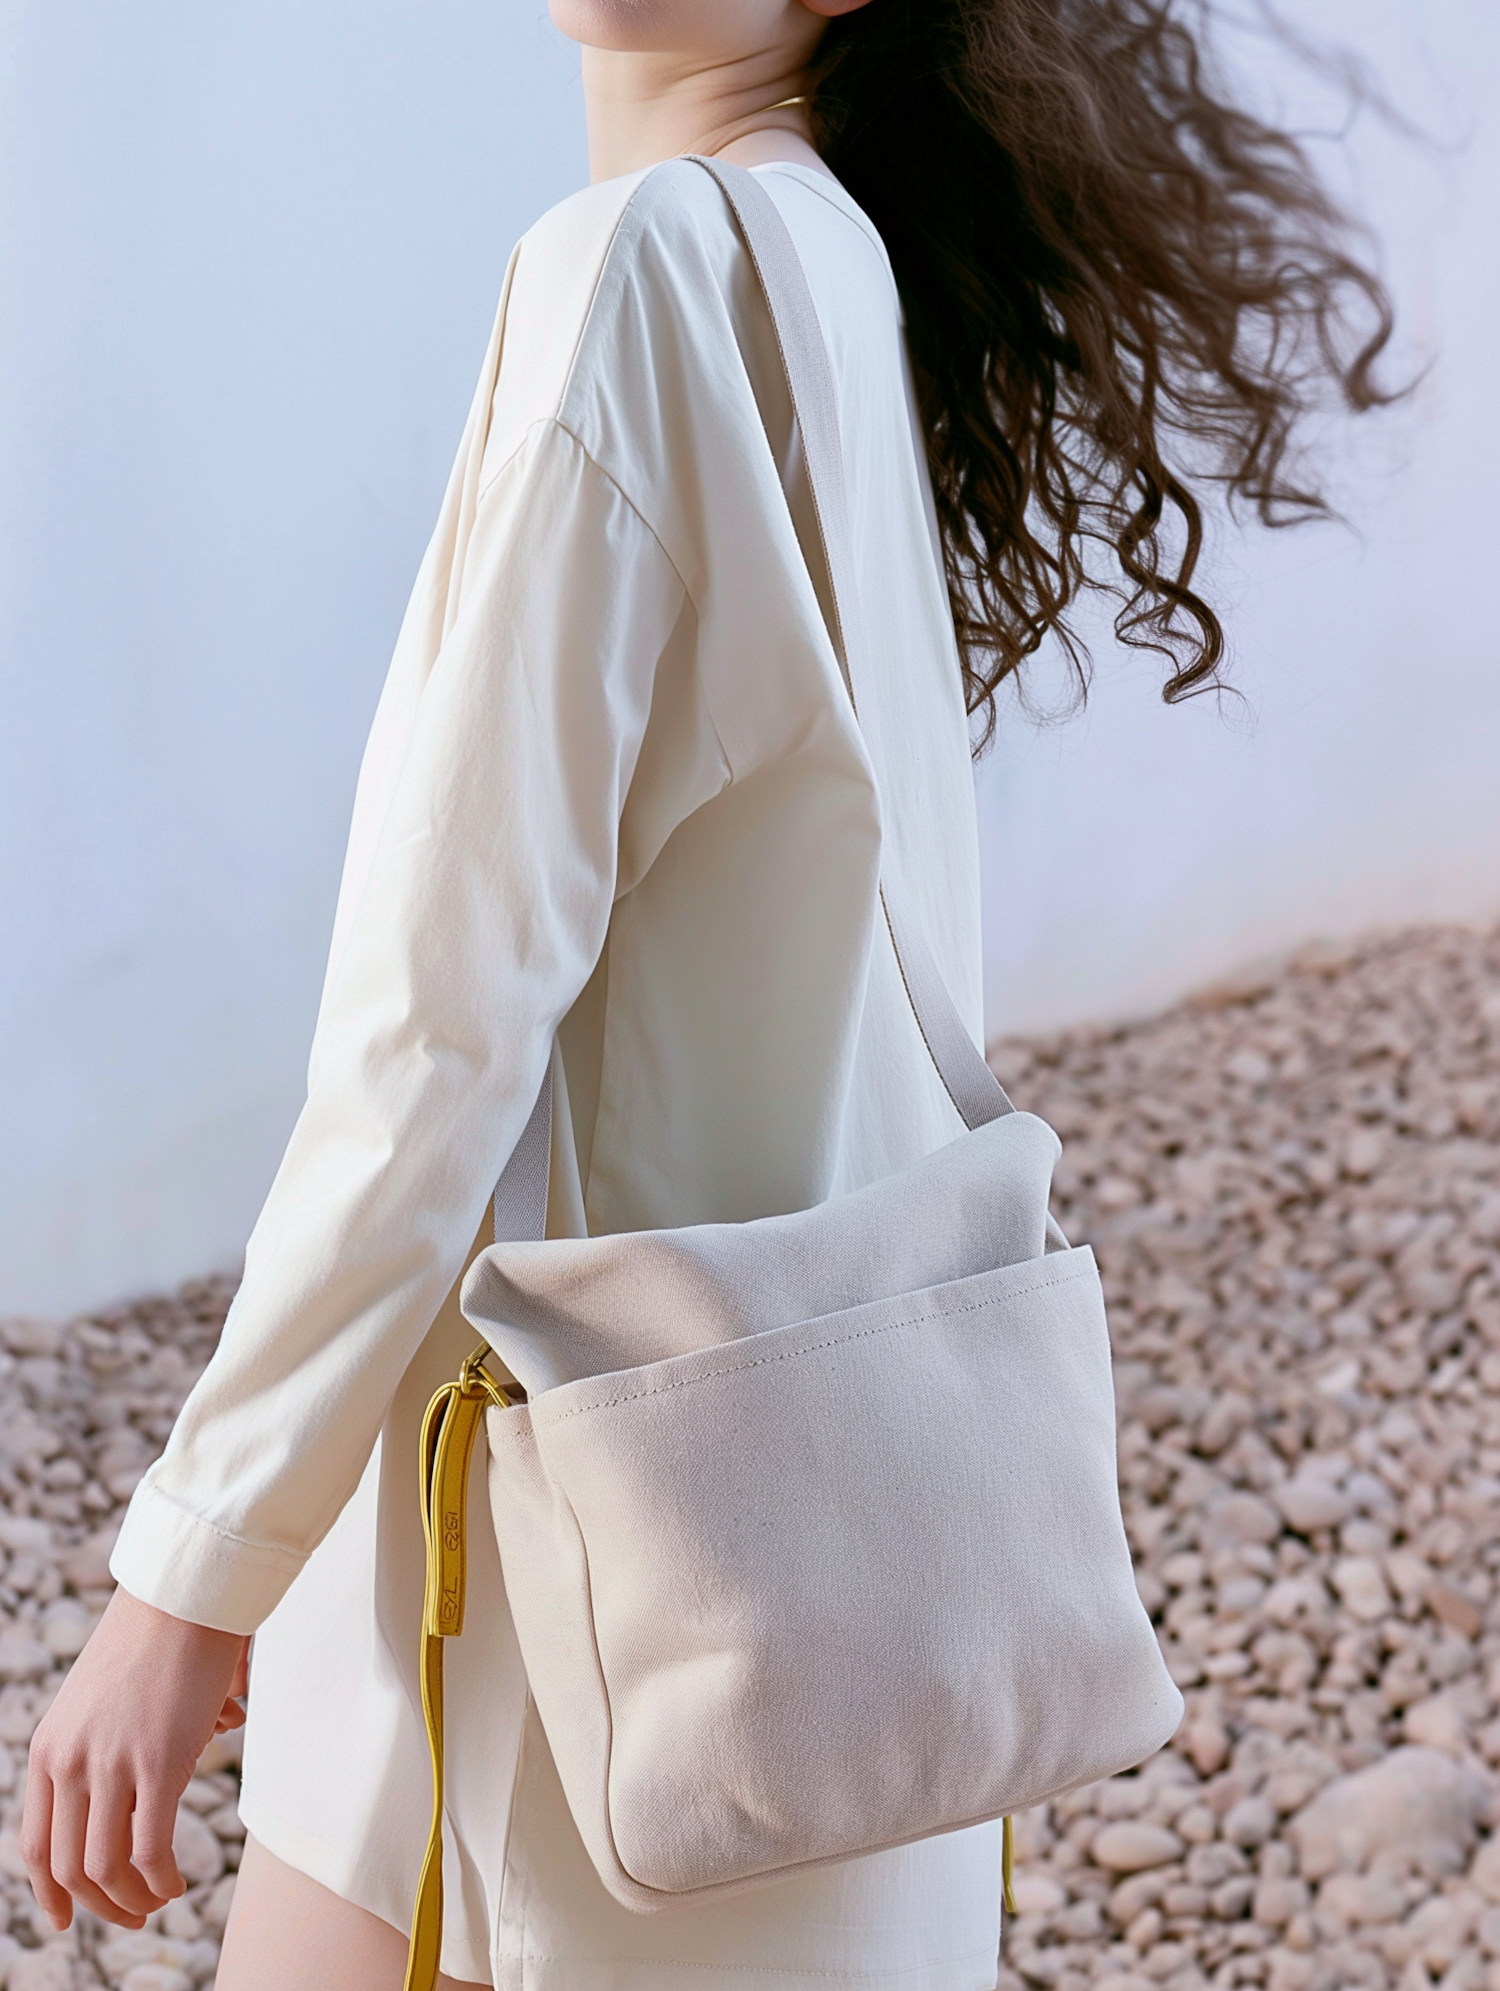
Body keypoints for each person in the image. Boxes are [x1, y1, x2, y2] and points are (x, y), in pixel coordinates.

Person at [21, 2, 1394, 1986]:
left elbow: (439, 1027)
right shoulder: (822, 251)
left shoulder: (645, 267)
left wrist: (192, 1569)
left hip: (551, 1564)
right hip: (813, 1546)